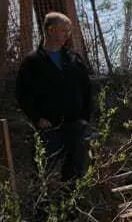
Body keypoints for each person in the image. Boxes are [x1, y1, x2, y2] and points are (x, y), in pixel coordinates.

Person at [16, 12, 92, 183]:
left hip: (75, 125)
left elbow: (87, 89)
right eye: (64, 30)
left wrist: (85, 118)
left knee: (76, 172)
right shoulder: (32, 61)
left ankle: (72, 207)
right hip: (49, 128)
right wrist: (37, 118)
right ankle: (44, 208)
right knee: (45, 174)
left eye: (69, 31)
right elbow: (22, 94)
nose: (67, 34)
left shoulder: (73, 58)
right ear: (50, 30)